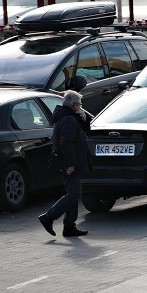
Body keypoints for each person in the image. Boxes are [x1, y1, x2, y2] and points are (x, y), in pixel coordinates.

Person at [38, 90, 91, 238]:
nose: (81, 106)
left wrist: (84, 118)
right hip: (68, 162)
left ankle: (69, 226)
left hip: (66, 161)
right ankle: (49, 217)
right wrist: (71, 163)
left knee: (72, 193)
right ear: (74, 104)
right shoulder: (69, 119)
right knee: (75, 193)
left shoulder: (68, 116)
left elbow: (86, 130)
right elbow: (66, 143)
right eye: (79, 104)